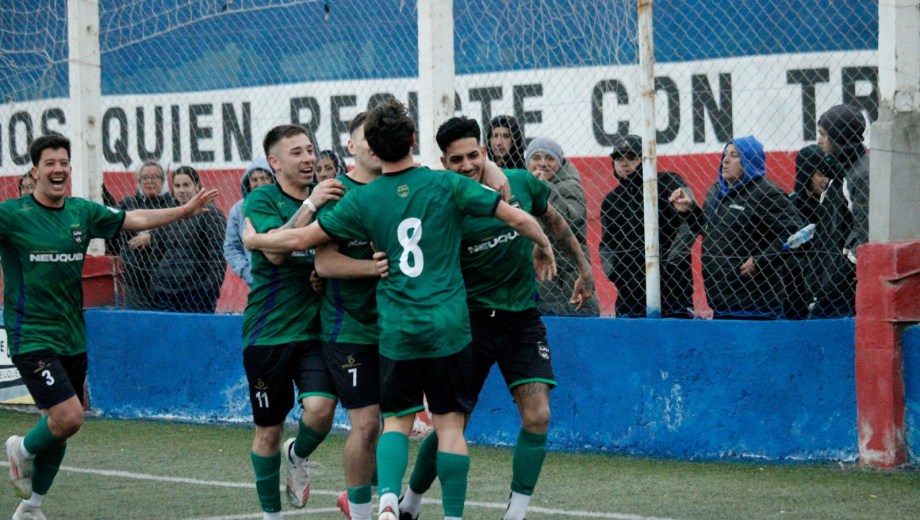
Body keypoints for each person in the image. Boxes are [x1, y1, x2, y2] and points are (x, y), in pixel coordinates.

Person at [241, 99, 556, 520]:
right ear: (412, 141)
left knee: (394, 422)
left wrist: (257, 241)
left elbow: (300, 242)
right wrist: (544, 245)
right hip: (441, 326)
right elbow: (516, 216)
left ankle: (388, 502)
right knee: (445, 425)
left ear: (371, 145)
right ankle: (444, 515)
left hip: (396, 328)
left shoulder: (364, 201)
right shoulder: (441, 185)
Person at [2, 135, 218, 520]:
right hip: (30, 333)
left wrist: (183, 212)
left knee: (61, 424)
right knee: (69, 417)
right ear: (35, 171)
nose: (59, 169)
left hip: (72, 333)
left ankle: (31, 507)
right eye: (50, 163)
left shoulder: (81, 212)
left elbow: (133, 220)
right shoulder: (12, 215)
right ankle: (21, 449)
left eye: (64, 163)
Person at [398, 116, 593, 520]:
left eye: (474, 156)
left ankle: (515, 514)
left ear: (485, 153)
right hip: (468, 324)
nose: (467, 165)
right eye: (457, 160)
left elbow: (553, 220)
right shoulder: (442, 203)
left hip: (522, 320)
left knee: (538, 415)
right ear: (443, 163)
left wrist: (584, 267)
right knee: (453, 428)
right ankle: (410, 503)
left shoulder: (520, 182)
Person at [241, 124, 346, 520]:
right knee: (268, 429)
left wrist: (325, 274)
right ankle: (272, 515)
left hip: (315, 330)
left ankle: (298, 454)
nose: (308, 159)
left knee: (320, 410)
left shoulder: (333, 197)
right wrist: (312, 205)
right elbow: (276, 253)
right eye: (297, 153)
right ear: (275, 162)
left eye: (310, 150)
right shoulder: (262, 199)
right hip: (267, 332)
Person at [313, 112, 387, 520]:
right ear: (351, 147)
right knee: (366, 423)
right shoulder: (337, 193)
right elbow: (323, 262)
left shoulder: (401, 186)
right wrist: (374, 268)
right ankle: (360, 511)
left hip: (397, 326)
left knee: (389, 425)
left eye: (381, 137)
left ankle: (371, 498)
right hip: (349, 326)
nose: (375, 145)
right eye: (366, 138)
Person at [669, 136, 803, 319]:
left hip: (757, 305)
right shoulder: (716, 191)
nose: (725, 160)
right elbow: (709, 229)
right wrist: (690, 210)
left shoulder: (765, 192)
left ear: (750, 160)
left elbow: (795, 233)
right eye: (725, 154)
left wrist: (762, 261)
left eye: (734, 155)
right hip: (721, 302)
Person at [599, 135, 694, 318]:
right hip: (629, 297)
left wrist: (669, 264)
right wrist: (616, 274)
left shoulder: (670, 183)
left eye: (631, 157)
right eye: (619, 158)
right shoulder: (611, 201)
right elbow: (606, 245)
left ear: (645, 158)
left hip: (673, 293)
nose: (624, 163)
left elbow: (690, 225)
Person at [524, 137, 599, 316]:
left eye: (549, 158)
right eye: (536, 157)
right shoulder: (523, 186)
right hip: (539, 279)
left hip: (566, 279)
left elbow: (572, 219)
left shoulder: (570, 185)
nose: (542, 163)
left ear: (559, 162)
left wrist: (545, 188)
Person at [812, 104, 870, 317]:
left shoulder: (861, 175)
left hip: (846, 291)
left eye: (823, 134)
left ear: (839, 136)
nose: (819, 141)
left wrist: (837, 277)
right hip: (832, 288)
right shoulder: (842, 172)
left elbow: (864, 235)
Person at [148, 166, 227, 313]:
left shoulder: (211, 214)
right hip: (164, 290)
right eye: (177, 186)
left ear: (197, 186)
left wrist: (207, 290)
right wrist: (156, 281)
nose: (181, 190)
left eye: (186, 185)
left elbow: (217, 258)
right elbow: (156, 252)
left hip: (196, 293)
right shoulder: (167, 214)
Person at [113, 161, 176, 309]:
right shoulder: (128, 203)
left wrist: (153, 236)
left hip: (164, 278)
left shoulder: (172, 205)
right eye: (145, 178)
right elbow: (111, 221)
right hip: (133, 277)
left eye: (155, 177)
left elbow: (178, 229)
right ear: (139, 181)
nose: (150, 181)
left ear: (163, 180)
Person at [787, 144, 830, 319]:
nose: (826, 180)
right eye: (820, 174)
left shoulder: (835, 202)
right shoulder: (790, 206)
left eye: (828, 173)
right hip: (798, 290)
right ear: (806, 174)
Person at [224, 158, 275, 287]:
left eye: (264, 178)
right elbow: (231, 247)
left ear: (273, 179)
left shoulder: (282, 204)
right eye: (254, 179)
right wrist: (247, 272)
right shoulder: (238, 209)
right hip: (256, 280)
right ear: (248, 182)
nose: (259, 183)